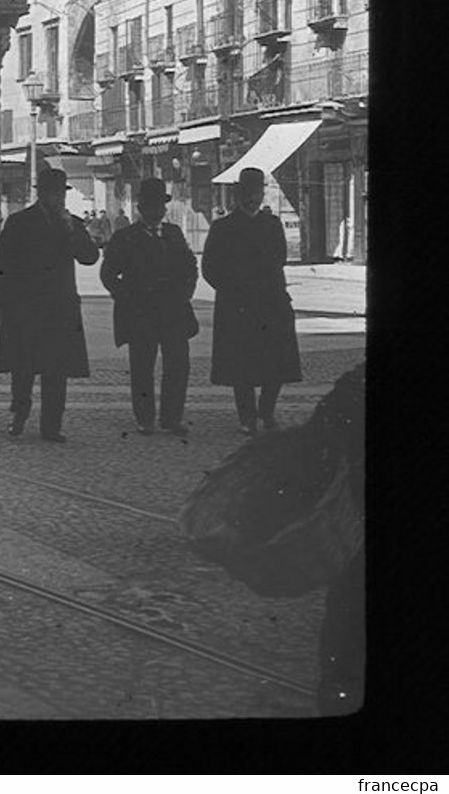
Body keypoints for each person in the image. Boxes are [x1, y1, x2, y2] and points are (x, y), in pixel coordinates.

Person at [0, 167, 100, 442]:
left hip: (60, 306)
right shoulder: (19, 222)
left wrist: (70, 232)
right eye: (52, 193)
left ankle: (52, 425)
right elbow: (1, 264)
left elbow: (89, 257)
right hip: (25, 305)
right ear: (42, 195)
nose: (57, 199)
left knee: (57, 370)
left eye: (60, 194)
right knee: (23, 367)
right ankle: (19, 414)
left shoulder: (71, 222)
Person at [202, 166, 302, 434]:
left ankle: (266, 412)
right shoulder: (223, 227)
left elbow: (279, 259)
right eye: (247, 193)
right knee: (241, 366)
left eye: (256, 193)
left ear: (261, 194)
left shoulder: (271, 224)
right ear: (238, 195)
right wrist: (233, 290)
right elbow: (209, 267)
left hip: (270, 304)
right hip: (237, 306)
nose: (252, 198)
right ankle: (247, 417)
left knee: (277, 363)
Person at [100, 177, 200, 435]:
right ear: (141, 209)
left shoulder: (174, 234)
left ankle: (171, 418)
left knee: (178, 365)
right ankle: (145, 418)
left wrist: (186, 292)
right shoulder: (125, 238)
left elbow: (190, 266)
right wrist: (125, 298)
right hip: (141, 314)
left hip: (174, 312)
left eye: (161, 206)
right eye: (151, 206)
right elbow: (108, 274)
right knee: (142, 368)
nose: (158, 211)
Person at [307, 361, 365, 716]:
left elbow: (321, 430)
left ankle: (337, 686)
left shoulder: (357, 383)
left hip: (358, 519)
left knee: (349, 604)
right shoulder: (356, 384)